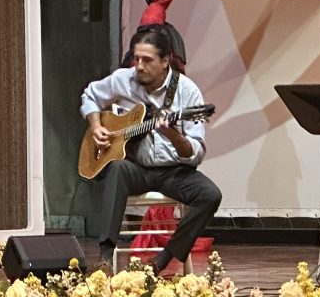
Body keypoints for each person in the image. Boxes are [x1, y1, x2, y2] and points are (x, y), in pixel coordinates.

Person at [80, 25, 221, 275]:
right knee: (117, 169)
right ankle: (104, 258)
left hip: (174, 171)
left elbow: (195, 152)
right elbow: (90, 96)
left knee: (210, 195)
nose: (139, 66)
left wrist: (173, 135)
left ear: (165, 61)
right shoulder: (123, 80)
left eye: (147, 60)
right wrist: (96, 126)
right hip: (137, 168)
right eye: (136, 59)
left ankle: (161, 261)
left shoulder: (187, 91)